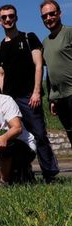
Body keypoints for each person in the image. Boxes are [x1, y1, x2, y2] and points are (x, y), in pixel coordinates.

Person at [0, 4, 59, 183]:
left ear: (16, 18)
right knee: (18, 138)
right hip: (10, 100)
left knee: (39, 135)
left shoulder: (28, 37)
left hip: (28, 96)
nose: (8, 19)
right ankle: (24, 175)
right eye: (4, 17)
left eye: (11, 16)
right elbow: (1, 73)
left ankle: (50, 174)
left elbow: (39, 64)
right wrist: (3, 97)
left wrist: (37, 92)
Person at [40, 0, 72, 147]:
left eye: (52, 14)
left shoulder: (69, 32)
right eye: (44, 16)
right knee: (70, 132)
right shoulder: (45, 42)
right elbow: (49, 71)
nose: (48, 18)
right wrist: (52, 98)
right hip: (59, 98)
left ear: (59, 13)